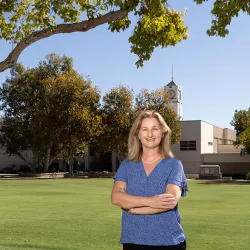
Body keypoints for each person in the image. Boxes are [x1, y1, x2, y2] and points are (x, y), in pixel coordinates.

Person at [111, 110, 188, 250]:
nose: (150, 134)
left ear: (163, 132)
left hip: (169, 242)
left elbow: (169, 202)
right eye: (145, 129)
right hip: (133, 241)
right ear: (138, 134)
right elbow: (116, 197)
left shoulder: (174, 165)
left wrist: (135, 209)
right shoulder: (127, 165)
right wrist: (151, 201)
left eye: (155, 129)